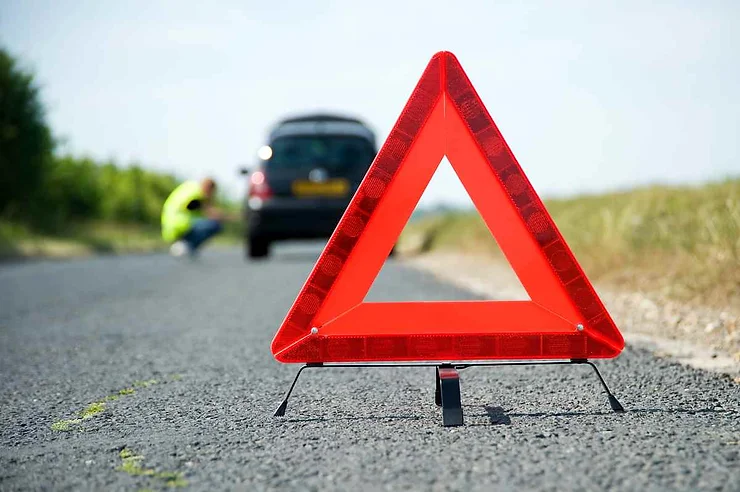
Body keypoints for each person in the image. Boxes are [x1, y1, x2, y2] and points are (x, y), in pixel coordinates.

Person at [161, 177, 224, 257]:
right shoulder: (197, 193)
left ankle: (184, 245)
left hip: (170, 223)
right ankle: (186, 245)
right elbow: (209, 212)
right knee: (215, 225)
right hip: (179, 224)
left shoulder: (191, 187)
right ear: (209, 188)